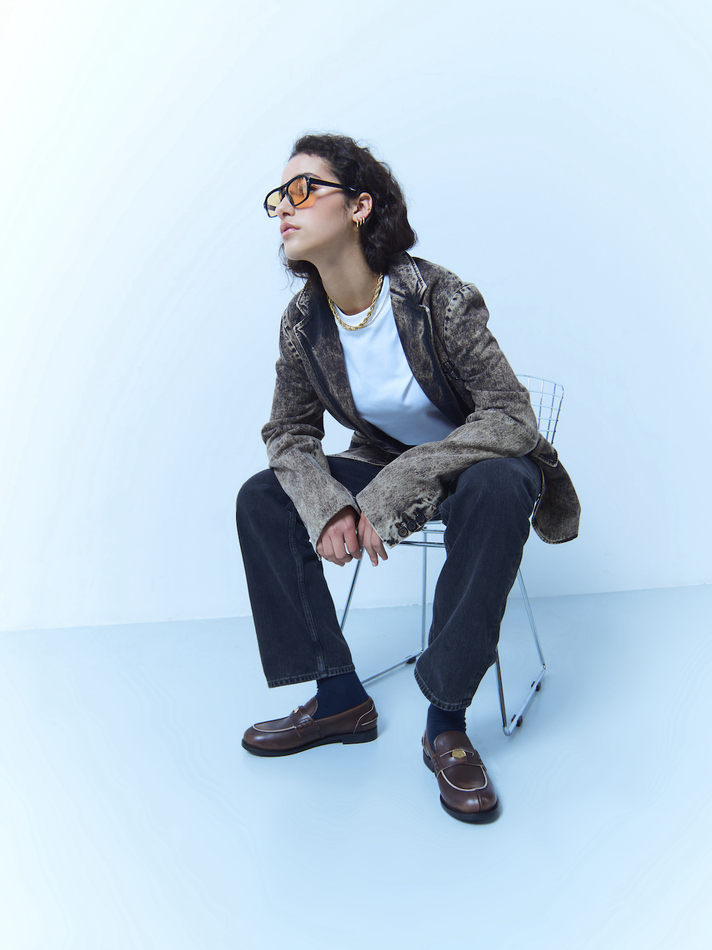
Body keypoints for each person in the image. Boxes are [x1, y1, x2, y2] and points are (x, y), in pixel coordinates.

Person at [236, 133, 580, 823]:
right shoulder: (302, 325)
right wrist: (327, 504)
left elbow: (510, 417)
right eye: (279, 196)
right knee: (264, 498)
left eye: (304, 189)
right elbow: (289, 434)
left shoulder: (437, 297)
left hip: (475, 462)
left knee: (503, 484)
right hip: (383, 458)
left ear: (359, 206)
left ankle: (445, 724)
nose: (285, 207)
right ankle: (339, 699)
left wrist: (398, 486)